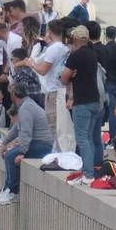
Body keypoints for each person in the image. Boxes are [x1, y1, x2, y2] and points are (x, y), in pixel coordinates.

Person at [0, 81, 53, 205]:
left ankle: (13, 191)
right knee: (9, 154)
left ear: (13, 94)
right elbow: (16, 128)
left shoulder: (26, 108)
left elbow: (26, 132)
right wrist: (5, 143)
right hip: (37, 143)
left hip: (43, 145)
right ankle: (7, 188)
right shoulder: (26, 105)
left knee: (10, 156)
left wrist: (22, 152)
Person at [62, 25, 104, 183]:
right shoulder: (93, 54)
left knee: (82, 138)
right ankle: (90, 169)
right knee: (89, 137)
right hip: (95, 100)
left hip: (82, 101)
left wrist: (70, 75)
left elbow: (64, 78)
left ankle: (88, 174)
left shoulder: (75, 56)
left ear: (76, 38)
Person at [32, 19, 71, 151]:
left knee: (54, 125)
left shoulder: (53, 48)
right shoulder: (66, 46)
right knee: (62, 125)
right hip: (62, 89)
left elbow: (43, 70)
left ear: (50, 31)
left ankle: (58, 151)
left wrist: (31, 64)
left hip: (53, 90)